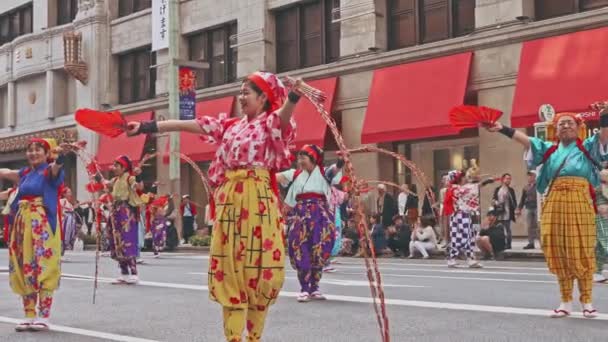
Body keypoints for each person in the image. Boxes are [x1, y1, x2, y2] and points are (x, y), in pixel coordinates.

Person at [126, 71, 305, 341]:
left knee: (259, 267)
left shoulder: (271, 123)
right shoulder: (230, 126)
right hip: (231, 201)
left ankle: (254, 337)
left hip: (259, 200)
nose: (241, 97)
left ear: (263, 98)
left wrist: (293, 97)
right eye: (241, 91)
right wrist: (146, 127)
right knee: (230, 269)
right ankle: (233, 338)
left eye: (247, 92)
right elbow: (189, 124)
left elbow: (283, 117)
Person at [486, 109, 608, 318]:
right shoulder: (549, 149)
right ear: (555, 130)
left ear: (579, 128)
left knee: (583, 250)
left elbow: (604, 136)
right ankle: (565, 301)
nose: (566, 126)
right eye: (561, 124)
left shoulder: (587, 147)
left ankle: (587, 301)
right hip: (555, 202)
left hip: (580, 201)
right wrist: (502, 129)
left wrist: (604, 116)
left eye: (570, 123)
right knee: (559, 251)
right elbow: (527, 141)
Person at [0, 138, 66, 331]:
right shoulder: (26, 173)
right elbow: (4, 172)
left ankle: (44, 316)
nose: (33, 153)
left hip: (42, 224)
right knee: (24, 265)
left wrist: (61, 155)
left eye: (38, 150)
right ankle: (29, 315)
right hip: (22, 224)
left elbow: (57, 166)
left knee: (43, 266)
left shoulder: (50, 171)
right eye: (30, 150)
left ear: (47, 154)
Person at [277, 144, 341, 302]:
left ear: (313, 159)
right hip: (300, 217)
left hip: (320, 217)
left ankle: (315, 287)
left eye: (303, 158)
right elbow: (274, 177)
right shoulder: (295, 173)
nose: (300, 161)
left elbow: (336, 169)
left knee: (319, 250)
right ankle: (305, 288)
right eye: (299, 158)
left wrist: (342, 160)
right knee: (301, 249)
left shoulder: (324, 173)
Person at [444, 160, 493, 268]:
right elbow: (472, 188)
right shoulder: (457, 189)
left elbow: (473, 187)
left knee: (462, 237)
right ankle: (468, 259)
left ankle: (455, 258)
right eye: (462, 176)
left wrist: (481, 181)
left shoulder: (454, 188)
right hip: (462, 215)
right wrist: (483, 181)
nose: (464, 178)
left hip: (459, 216)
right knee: (466, 237)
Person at [105, 155, 144, 285]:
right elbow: (105, 184)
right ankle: (124, 273)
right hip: (115, 212)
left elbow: (138, 187)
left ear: (124, 167)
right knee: (116, 241)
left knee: (127, 240)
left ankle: (134, 273)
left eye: (116, 165)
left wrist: (138, 177)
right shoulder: (115, 179)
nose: (114, 168)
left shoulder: (130, 177)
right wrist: (97, 176)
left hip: (126, 212)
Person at [492, 173, 517, 249]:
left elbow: (514, 202)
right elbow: (493, 199)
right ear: (503, 179)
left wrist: (516, 210)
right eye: (507, 178)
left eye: (510, 179)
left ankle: (508, 244)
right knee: (500, 229)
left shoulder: (511, 190)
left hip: (507, 213)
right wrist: (495, 203)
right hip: (499, 212)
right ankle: (501, 244)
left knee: (507, 229)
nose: (508, 180)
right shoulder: (497, 189)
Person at [517, 171, 539, 250]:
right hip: (529, 207)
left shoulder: (538, 185)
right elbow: (522, 199)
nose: (529, 177)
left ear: (534, 177)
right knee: (529, 226)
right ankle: (531, 243)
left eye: (531, 176)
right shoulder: (526, 187)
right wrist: (519, 208)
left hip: (537, 207)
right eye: (528, 176)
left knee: (538, 226)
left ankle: (542, 243)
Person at [594, 168, 608, 283]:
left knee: (600, 247)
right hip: (601, 217)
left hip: (604, 215)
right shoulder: (598, 186)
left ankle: (596, 271)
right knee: (605, 241)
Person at [60, 187, 81, 260]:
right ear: (64, 194)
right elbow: (60, 210)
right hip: (64, 222)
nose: (70, 194)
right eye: (68, 192)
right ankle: (59, 255)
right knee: (62, 238)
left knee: (67, 237)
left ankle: (62, 254)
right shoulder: (62, 201)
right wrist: (64, 215)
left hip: (70, 223)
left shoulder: (69, 203)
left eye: (70, 192)